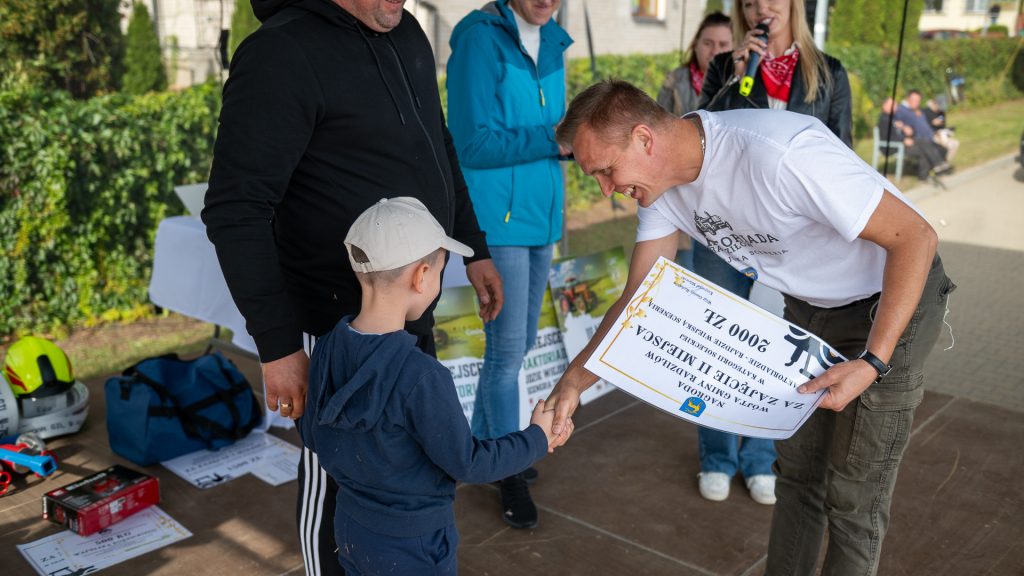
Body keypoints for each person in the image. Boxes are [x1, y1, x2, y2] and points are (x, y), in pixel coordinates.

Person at [546, 80, 955, 576]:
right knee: (799, 475)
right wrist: (574, 381)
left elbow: (917, 237)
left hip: (891, 300)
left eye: (606, 171)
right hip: (812, 309)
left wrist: (872, 360)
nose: (606, 190)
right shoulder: (659, 191)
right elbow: (639, 298)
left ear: (643, 139)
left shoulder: (777, 154)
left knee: (854, 494)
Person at [202, 1, 504, 574]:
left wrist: (473, 244)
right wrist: (279, 346)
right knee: (338, 481)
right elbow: (236, 210)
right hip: (333, 329)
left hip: (408, 313)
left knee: (404, 468)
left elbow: (435, 145)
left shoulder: (405, 30)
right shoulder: (280, 52)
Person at [298, 197, 563, 575]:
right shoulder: (421, 376)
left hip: (351, 527)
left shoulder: (326, 347)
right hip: (414, 543)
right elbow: (469, 463)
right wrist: (537, 438)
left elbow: (313, 435)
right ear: (421, 277)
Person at [691, 0, 854, 506]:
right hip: (724, 227)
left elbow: (842, 153)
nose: (762, 7)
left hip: (790, 238)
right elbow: (700, 135)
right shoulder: (728, 65)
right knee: (717, 343)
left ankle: (761, 457)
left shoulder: (828, 72)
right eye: (750, 1)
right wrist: (737, 75)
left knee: (772, 348)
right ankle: (716, 456)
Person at [446, 0, 571, 529]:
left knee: (518, 344)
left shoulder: (555, 40)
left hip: (543, 217)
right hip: (499, 221)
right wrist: (554, 139)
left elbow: (557, 131)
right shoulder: (479, 37)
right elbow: (469, 143)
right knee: (506, 353)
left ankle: (479, 447)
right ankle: (508, 468)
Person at [655, 10, 733, 272]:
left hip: (726, 204)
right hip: (684, 199)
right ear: (696, 44)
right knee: (686, 275)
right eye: (708, 43)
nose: (714, 51)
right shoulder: (675, 81)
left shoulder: (741, 84)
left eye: (723, 44)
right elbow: (658, 133)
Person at [878, 97, 950, 181]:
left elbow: (897, 130)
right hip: (893, 147)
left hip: (901, 143)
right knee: (923, 150)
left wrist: (905, 128)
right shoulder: (884, 119)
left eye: (895, 105)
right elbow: (888, 137)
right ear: (885, 106)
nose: (895, 107)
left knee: (924, 141)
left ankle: (937, 165)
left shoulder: (893, 117)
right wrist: (903, 140)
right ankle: (927, 172)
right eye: (893, 105)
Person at [897, 89, 959, 163]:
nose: (917, 103)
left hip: (935, 134)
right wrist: (903, 128)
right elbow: (899, 124)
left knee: (953, 144)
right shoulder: (924, 111)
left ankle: (944, 162)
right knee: (946, 145)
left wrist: (939, 123)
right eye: (915, 100)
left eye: (918, 101)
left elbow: (941, 120)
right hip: (926, 138)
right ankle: (942, 163)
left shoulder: (938, 113)